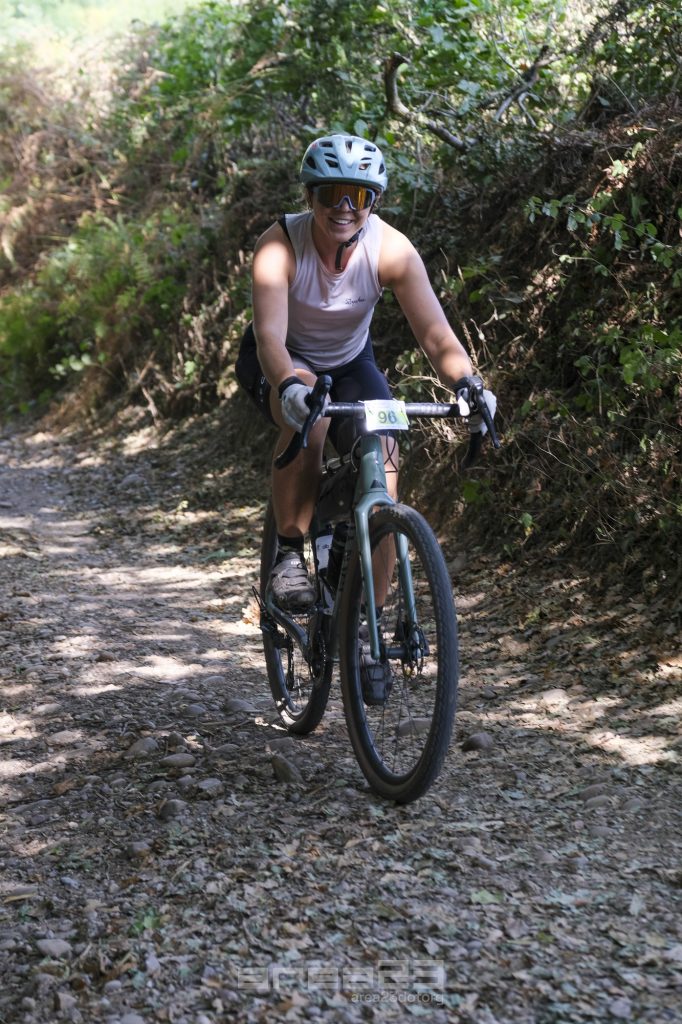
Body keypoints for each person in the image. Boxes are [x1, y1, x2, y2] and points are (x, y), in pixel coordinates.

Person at [236, 133, 494, 617]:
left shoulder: (391, 249)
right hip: (281, 358)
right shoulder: (279, 244)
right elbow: (269, 335)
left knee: (385, 455)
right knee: (312, 414)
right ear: (309, 195)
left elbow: (436, 335)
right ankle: (288, 556)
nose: (345, 208)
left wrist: (469, 384)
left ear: (373, 201)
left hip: (351, 362)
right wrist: (288, 385)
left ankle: (363, 622)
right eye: (332, 194)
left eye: (358, 196)